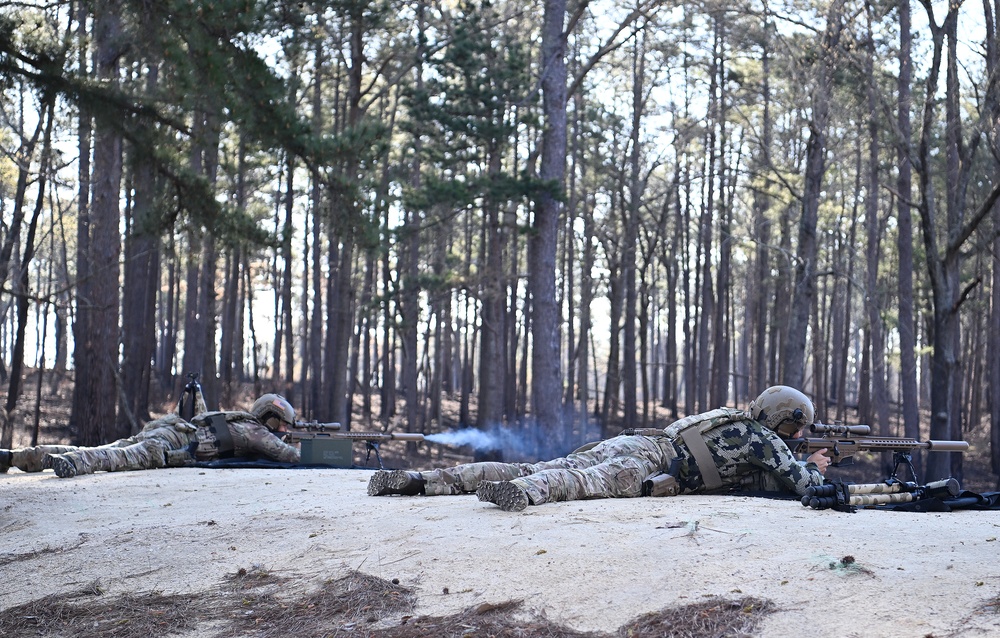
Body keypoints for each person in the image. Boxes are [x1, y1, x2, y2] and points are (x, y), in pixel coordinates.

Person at [368, 385, 831, 511]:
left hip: (641, 440)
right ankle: (526, 493)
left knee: (545, 462)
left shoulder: (729, 420)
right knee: (580, 481)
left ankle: (421, 481)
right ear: (784, 422)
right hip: (653, 461)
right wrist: (815, 464)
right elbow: (802, 485)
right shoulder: (766, 441)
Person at [0, 392, 300, 478]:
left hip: (167, 429)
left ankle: (16, 457)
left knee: (105, 446)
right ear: (268, 419)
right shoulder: (254, 431)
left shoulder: (235, 420)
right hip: (174, 442)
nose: (284, 432)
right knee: (118, 457)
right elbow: (287, 456)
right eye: (283, 425)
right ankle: (73, 464)